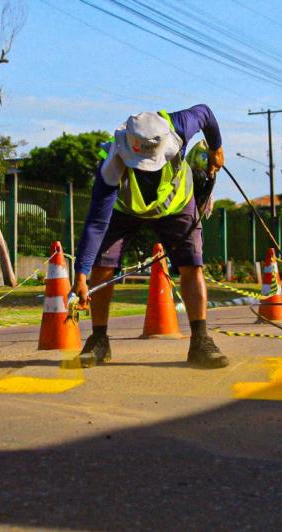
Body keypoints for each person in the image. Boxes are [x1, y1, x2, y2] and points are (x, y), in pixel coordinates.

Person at [71, 105, 228, 369]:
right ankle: (98, 340)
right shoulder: (111, 164)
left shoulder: (180, 125)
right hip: (124, 210)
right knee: (102, 265)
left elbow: (206, 113)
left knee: (192, 265)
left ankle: (201, 341)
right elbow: (97, 224)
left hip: (176, 205)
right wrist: (80, 275)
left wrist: (216, 148)